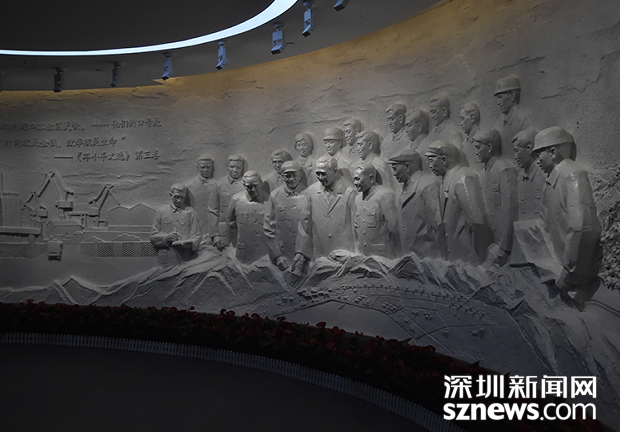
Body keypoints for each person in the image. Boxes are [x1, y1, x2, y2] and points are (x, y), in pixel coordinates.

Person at [533, 127, 602, 305]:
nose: (536, 160)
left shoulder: (572, 175)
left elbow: (582, 228)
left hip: (573, 275)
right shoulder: (551, 180)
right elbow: (545, 222)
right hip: (559, 267)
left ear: (553, 152)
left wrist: (569, 273)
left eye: (539, 154)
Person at [426, 141, 492, 264]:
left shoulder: (463, 178)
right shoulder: (446, 180)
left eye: (431, 160)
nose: (429, 166)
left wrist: (481, 258)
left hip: (470, 259)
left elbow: (478, 222)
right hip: (456, 259)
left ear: (444, 160)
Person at [293, 155, 356, 271]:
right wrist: (301, 252)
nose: (320, 178)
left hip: (344, 258)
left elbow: (355, 227)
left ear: (335, 171)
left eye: (323, 174)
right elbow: (304, 223)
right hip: (320, 255)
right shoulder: (311, 191)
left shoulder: (349, 192)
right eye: (318, 174)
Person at [471, 129, 518, 266]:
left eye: (478, 148)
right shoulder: (483, 173)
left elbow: (510, 210)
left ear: (489, 147)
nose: (476, 152)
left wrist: (504, 247)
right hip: (493, 242)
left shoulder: (504, 169)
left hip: (506, 245)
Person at [389, 149, 443, 258]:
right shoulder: (403, 188)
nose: (394, 174)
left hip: (427, 256)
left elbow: (438, 224)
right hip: (409, 256)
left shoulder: (428, 184)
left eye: (395, 169)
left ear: (407, 167)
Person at [218, 171, 270, 264]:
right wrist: (234, 244)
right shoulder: (236, 200)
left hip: (264, 253)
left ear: (261, 183)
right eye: (248, 186)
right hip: (243, 253)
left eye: (255, 186)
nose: (252, 189)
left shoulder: (269, 200)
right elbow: (230, 223)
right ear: (244, 185)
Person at [264, 161, 307, 270]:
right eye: (287, 176)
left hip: (304, 257)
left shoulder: (309, 194)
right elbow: (269, 228)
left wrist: (304, 253)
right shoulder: (274, 196)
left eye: (294, 175)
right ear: (282, 176)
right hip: (283, 255)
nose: (291, 179)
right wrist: (277, 256)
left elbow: (313, 228)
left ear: (300, 175)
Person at [352, 165, 401, 258]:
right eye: (354, 179)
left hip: (382, 257)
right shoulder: (358, 199)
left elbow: (394, 229)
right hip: (363, 256)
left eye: (358, 179)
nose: (355, 183)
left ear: (371, 178)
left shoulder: (385, 195)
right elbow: (356, 230)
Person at [150, 183, 201, 268]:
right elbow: (152, 237)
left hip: (184, 258)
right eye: (176, 197)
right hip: (165, 259)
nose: (179, 200)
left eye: (182, 197)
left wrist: (190, 244)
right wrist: (166, 238)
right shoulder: (162, 212)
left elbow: (197, 236)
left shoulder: (190, 212)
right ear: (171, 195)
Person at [209, 154, 246, 246]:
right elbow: (213, 210)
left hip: (242, 231)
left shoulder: (246, 185)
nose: (235, 170)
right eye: (232, 167)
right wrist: (214, 235)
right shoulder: (219, 185)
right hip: (224, 232)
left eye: (238, 167)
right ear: (227, 166)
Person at [493, 76, 534, 157]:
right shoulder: (499, 121)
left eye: (500, 97)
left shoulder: (523, 119)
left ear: (512, 95)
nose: (498, 102)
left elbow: (530, 147)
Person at [185, 154, 216, 242]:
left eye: (208, 167)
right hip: (194, 227)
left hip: (212, 227)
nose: (206, 170)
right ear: (197, 168)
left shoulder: (217, 185)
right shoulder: (189, 186)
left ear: (212, 168)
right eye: (203, 167)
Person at [459, 103, 481, 167]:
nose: (461, 124)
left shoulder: (482, 142)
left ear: (472, 117)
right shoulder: (464, 144)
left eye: (463, 118)